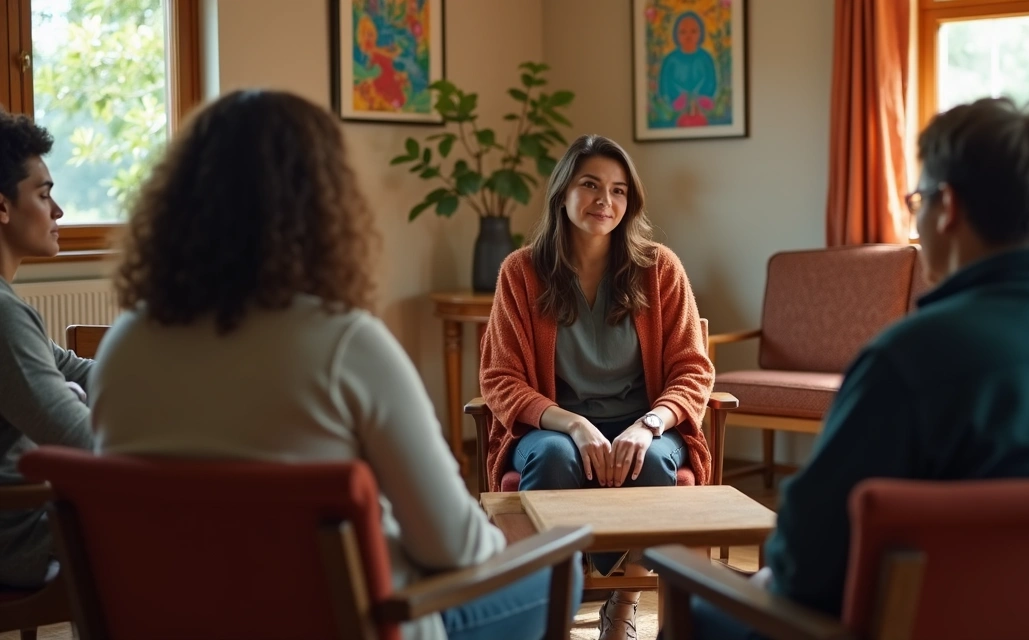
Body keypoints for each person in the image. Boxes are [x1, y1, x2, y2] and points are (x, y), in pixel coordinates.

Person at [89, 89, 579, 640]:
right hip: (354, 623)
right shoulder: (346, 345)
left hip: (179, 623)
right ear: (323, 206)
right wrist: (517, 544)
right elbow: (454, 545)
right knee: (563, 567)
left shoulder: (123, 346)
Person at [693, 97, 1029, 639]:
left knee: (696, 602)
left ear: (947, 206)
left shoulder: (910, 360)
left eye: (918, 199)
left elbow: (806, 567)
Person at [479, 134, 714, 640]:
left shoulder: (659, 269)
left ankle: (622, 602)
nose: (605, 201)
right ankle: (554, 610)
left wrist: (650, 425)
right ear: (562, 192)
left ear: (630, 202)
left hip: (645, 423)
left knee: (650, 461)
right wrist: (576, 424)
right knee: (555, 458)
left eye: (619, 190)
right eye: (590, 185)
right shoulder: (520, 273)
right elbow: (499, 379)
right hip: (555, 426)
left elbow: (694, 371)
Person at [0, 108, 94, 589]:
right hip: (18, 537)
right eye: (43, 194)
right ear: (2, 206)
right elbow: (77, 438)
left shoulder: (8, 306)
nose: (57, 211)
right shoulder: (2, 314)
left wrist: (156, 382)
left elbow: (73, 369)